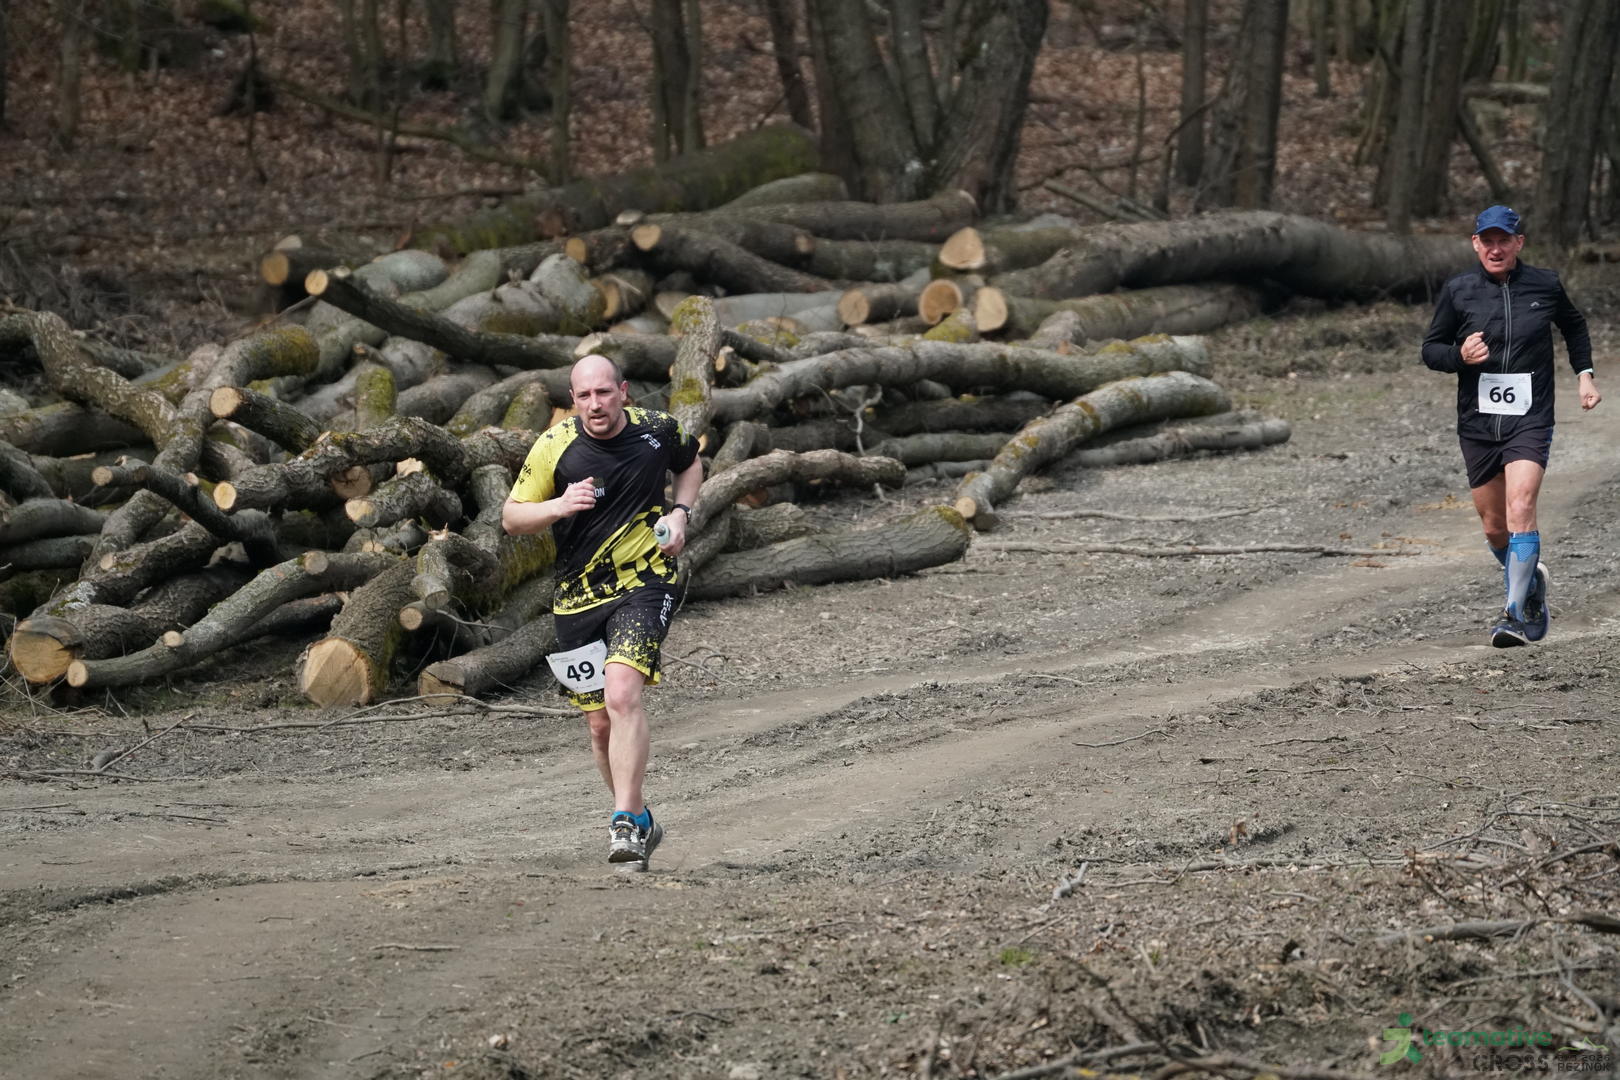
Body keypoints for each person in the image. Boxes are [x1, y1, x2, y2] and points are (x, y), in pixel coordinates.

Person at [502, 354, 702, 870]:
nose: (595, 404)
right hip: (576, 598)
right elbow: (512, 517)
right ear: (573, 400)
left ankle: (624, 821)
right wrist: (559, 505)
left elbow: (689, 463)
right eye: (585, 396)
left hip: (645, 582)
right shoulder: (555, 445)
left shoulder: (657, 429)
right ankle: (640, 818)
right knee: (598, 726)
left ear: (623, 391)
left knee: (622, 693)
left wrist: (681, 513)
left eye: (604, 392)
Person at [1422, 205, 1600, 647]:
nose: (1496, 248)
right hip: (1478, 422)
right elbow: (1431, 349)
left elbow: (1574, 327)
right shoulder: (1459, 290)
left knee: (1522, 505)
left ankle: (1514, 614)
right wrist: (1459, 356)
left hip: (1530, 417)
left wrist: (1585, 375)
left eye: (1505, 240)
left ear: (1519, 243)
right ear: (1475, 244)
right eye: (1488, 241)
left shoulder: (1545, 284)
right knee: (1494, 527)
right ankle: (1531, 581)